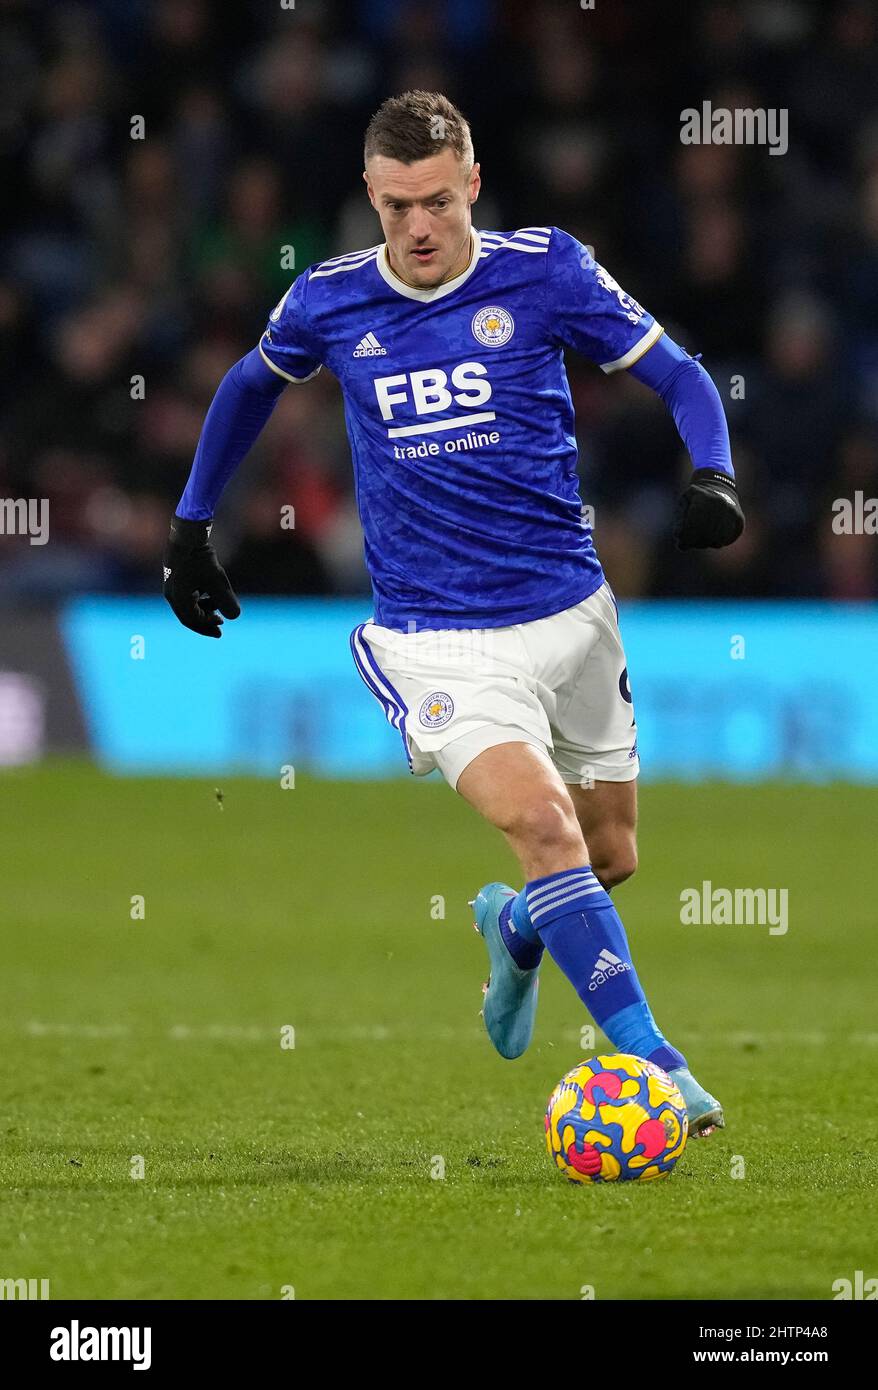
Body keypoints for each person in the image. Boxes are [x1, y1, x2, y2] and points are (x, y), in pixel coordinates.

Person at [163, 91, 743, 1135]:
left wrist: (714, 474)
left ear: (470, 184)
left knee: (606, 856)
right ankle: (658, 1066)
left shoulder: (545, 270)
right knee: (544, 823)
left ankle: (514, 928)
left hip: (570, 615)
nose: (418, 228)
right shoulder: (329, 301)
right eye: (395, 208)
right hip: (437, 641)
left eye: (436, 201)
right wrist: (191, 521)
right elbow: (250, 385)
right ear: (369, 199)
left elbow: (680, 375)